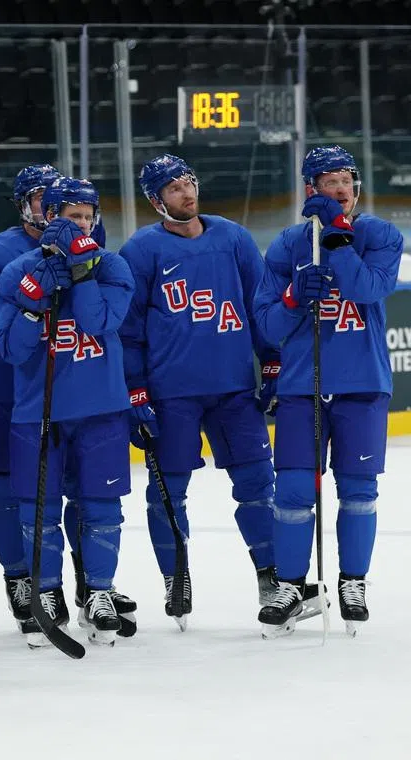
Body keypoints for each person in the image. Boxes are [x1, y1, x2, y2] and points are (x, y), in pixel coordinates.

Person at [119, 154, 280, 630]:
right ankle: (176, 575)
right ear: (156, 200)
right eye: (173, 188)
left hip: (234, 390)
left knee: (257, 485)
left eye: (188, 183)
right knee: (168, 493)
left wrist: (271, 359)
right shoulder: (141, 251)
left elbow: (261, 303)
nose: (186, 193)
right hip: (172, 396)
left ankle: (271, 576)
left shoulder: (233, 238)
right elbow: (128, 332)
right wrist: (135, 391)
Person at [0, 165, 136, 636]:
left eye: (89, 216)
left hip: (101, 407)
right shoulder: (15, 270)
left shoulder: (112, 266)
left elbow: (97, 323)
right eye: (73, 216)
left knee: (102, 506)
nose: (84, 225)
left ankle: (100, 588)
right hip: (37, 412)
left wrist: (81, 273)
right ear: (49, 217)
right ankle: (45, 588)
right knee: (37, 509)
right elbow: (11, 348)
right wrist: (34, 299)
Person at [252, 145, 402, 638]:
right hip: (301, 386)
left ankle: (352, 581)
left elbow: (366, 291)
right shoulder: (287, 244)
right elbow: (270, 324)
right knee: (294, 494)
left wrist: (338, 244)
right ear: (309, 189)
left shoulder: (379, 234)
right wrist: (296, 297)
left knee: (359, 492)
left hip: (361, 384)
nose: (340, 189)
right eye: (328, 181)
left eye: (346, 180)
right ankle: (292, 586)